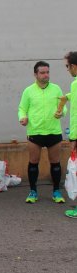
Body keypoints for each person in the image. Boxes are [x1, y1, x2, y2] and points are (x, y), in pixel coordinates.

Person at [17, 61, 66, 204]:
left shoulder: (56, 89)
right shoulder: (28, 91)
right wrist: (22, 117)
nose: (46, 75)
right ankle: (33, 192)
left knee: (55, 163)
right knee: (33, 163)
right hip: (35, 132)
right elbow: (22, 108)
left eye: (48, 72)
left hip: (53, 131)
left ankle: (56, 191)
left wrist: (61, 112)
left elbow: (63, 107)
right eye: (42, 72)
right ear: (35, 74)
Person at [63, 51, 77, 218]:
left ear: (74, 66)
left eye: (67, 66)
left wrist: (73, 137)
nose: (67, 70)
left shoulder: (75, 83)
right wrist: (67, 97)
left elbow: (75, 114)